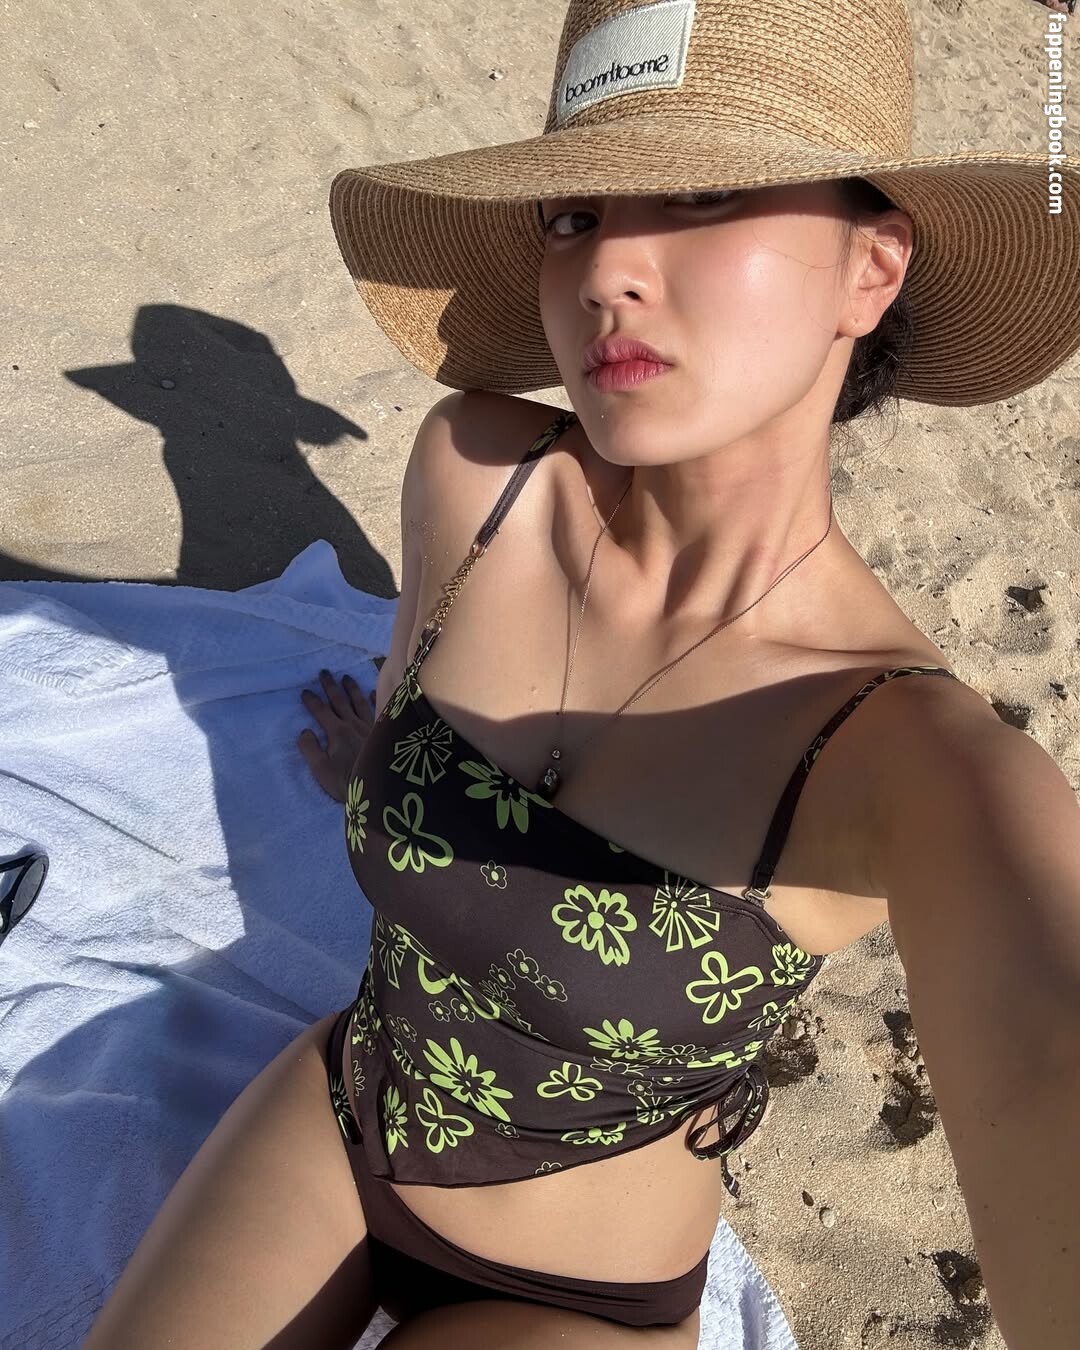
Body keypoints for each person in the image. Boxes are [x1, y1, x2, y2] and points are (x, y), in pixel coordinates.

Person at [84, 1, 1080, 1347]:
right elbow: (416, 693)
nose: (608, 264)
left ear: (871, 267)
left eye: (706, 192)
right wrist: (383, 767)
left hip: (572, 1296)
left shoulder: (897, 747)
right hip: (343, 1107)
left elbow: (1049, 1028)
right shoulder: (479, 474)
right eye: (572, 214)